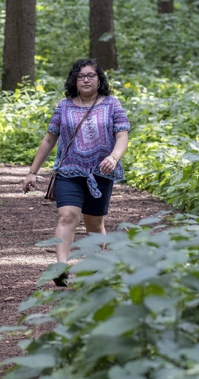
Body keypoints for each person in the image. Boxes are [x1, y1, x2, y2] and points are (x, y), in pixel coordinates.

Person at [23, 59, 130, 286]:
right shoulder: (64, 106)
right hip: (68, 172)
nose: (86, 79)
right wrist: (33, 171)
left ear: (99, 79)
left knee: (94, 224)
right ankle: (61, 267)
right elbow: (50, 138)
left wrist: (113, 157)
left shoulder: (112, 104)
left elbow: (122, 135)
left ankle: (95, 266)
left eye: (91, 75)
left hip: (100, 173)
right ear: (74, 80)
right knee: (67, 216)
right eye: (81, 76)